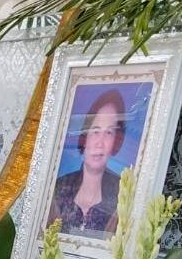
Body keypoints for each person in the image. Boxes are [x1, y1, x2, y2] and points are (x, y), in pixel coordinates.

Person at [47, 89, 128, 237]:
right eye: (95, 131)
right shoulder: (58, 188)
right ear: (85, 137)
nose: (100, 143)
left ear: (115, 142)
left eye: (109, 133)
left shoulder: (123, 195)